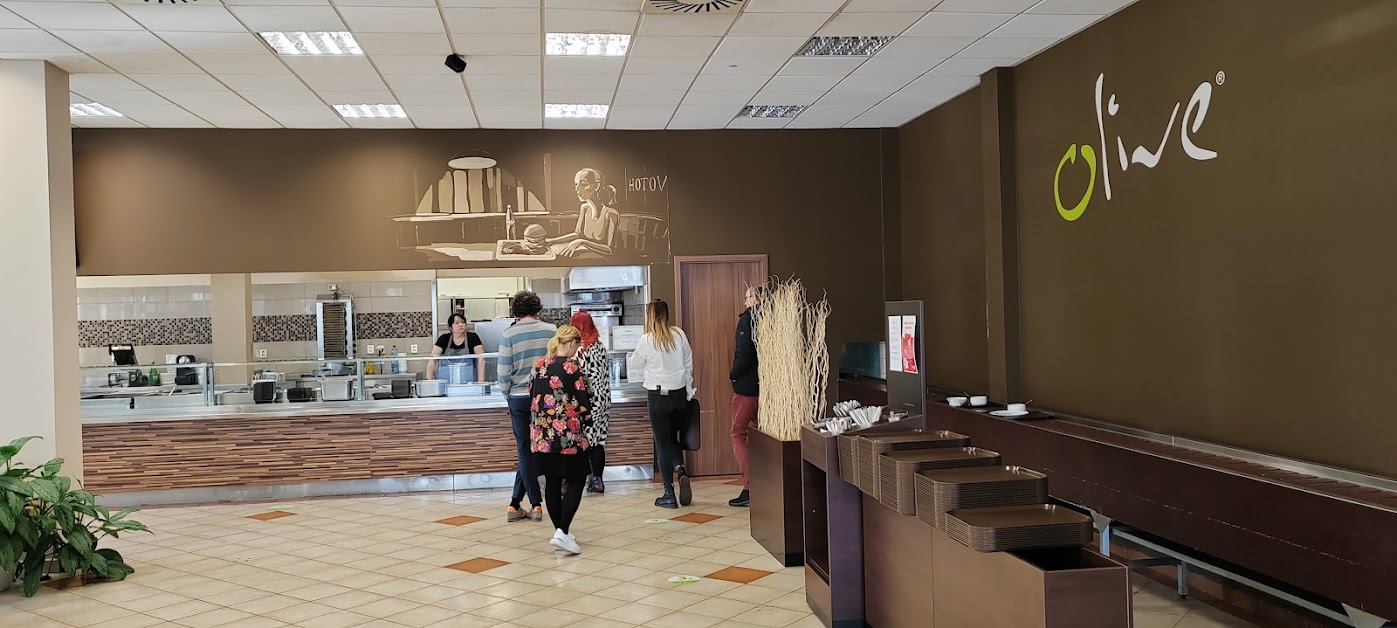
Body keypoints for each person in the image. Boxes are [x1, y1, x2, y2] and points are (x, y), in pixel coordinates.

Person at [529, 325, 593, 555]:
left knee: (552, 482)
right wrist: (587, 421)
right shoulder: (572, 367)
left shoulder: (539, 366)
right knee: (577, 479)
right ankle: (563, 531)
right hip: (568, 436)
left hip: (542, 436)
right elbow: (584, 401)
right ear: (573, 343)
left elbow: (531, 396)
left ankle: (560, 532)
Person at [628, 299, 696, 509]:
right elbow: (688, 364)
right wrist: (688, 390)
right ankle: (681, 470)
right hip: (679, 395)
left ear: (649, 316)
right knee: (673, 438)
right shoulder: (679, 334)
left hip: (658, 396)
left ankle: (669, 493)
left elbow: (635, 364)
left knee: (662, 443)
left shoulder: (647, 340)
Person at [497, 291, 557, 523]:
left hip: (518, 398)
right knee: (537, 450)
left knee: (525, 450)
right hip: (544, 398)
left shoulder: (509, 334)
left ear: (516, 310)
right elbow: (555, 364)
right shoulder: (551, 331)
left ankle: (534, 504)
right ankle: (516, 504)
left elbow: (503, 372)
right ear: (537, 308)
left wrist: (507, 394)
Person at [729, 284, 765, 507]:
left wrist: (733, 375)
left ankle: (750, 487)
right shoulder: (775, 319)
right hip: (768, 389)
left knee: (738, 433)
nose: (745, 302)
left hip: (747, 389)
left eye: (747, 297)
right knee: (766, 436)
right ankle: (769, 484)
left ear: (756, 298)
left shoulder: (748, 319)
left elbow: (744, 353)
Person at [571, 311, 611, 494]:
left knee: (583, 441)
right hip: (603, 399)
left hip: (587, 401)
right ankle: (598, 480)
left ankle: (577, 480)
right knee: (598, 440)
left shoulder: (580, 349)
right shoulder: (600, 346)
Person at [549, 168, 620, 258]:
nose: (577, 188)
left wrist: (581, 242)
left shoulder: (611, 214)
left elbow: (610, 250)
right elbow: (577, 234)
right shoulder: (584, 208)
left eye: (583, 184)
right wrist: (552, 240)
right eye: (576, 184)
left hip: (600, 260)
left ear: (597, 186)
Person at [427, 313, 486, 382]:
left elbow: (481, 359)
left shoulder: (473, 337)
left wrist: (481, 382)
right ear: (450, 327)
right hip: (445, 382)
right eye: (457, 323)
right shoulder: (444, 339)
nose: (461, 325)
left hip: (469, 382)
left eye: (463, 322)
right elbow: (432, 360)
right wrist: (429, 382)